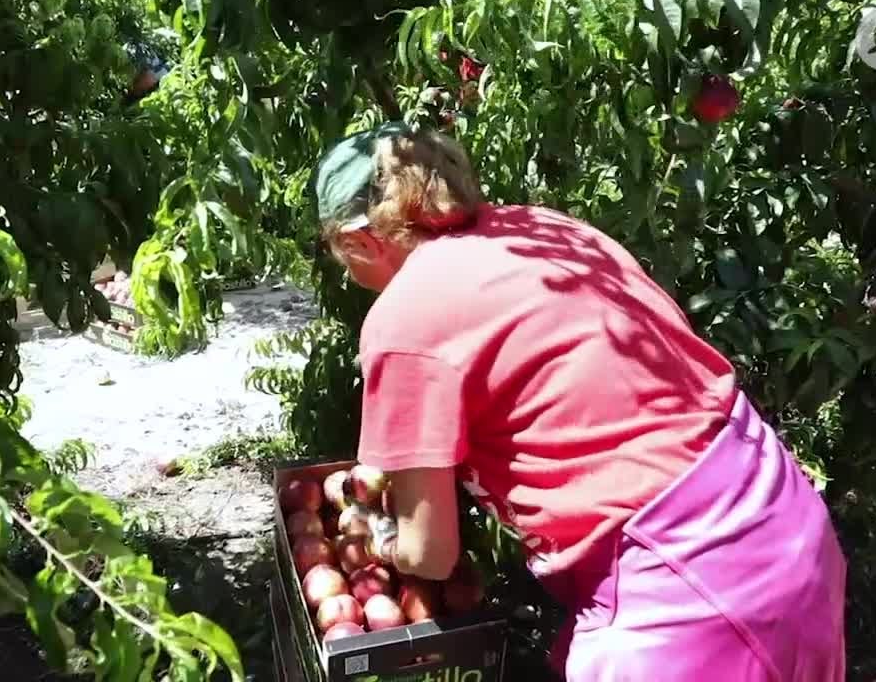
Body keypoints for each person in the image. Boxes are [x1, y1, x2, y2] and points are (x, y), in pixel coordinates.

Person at [312, 121, 847, 681]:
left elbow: (429, 554)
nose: (352, 277)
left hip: (689, 590)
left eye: (345, 260)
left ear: (361, 240)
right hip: (781, 521)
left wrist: (379, 533)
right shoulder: (541, 229)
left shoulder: (403, 318)